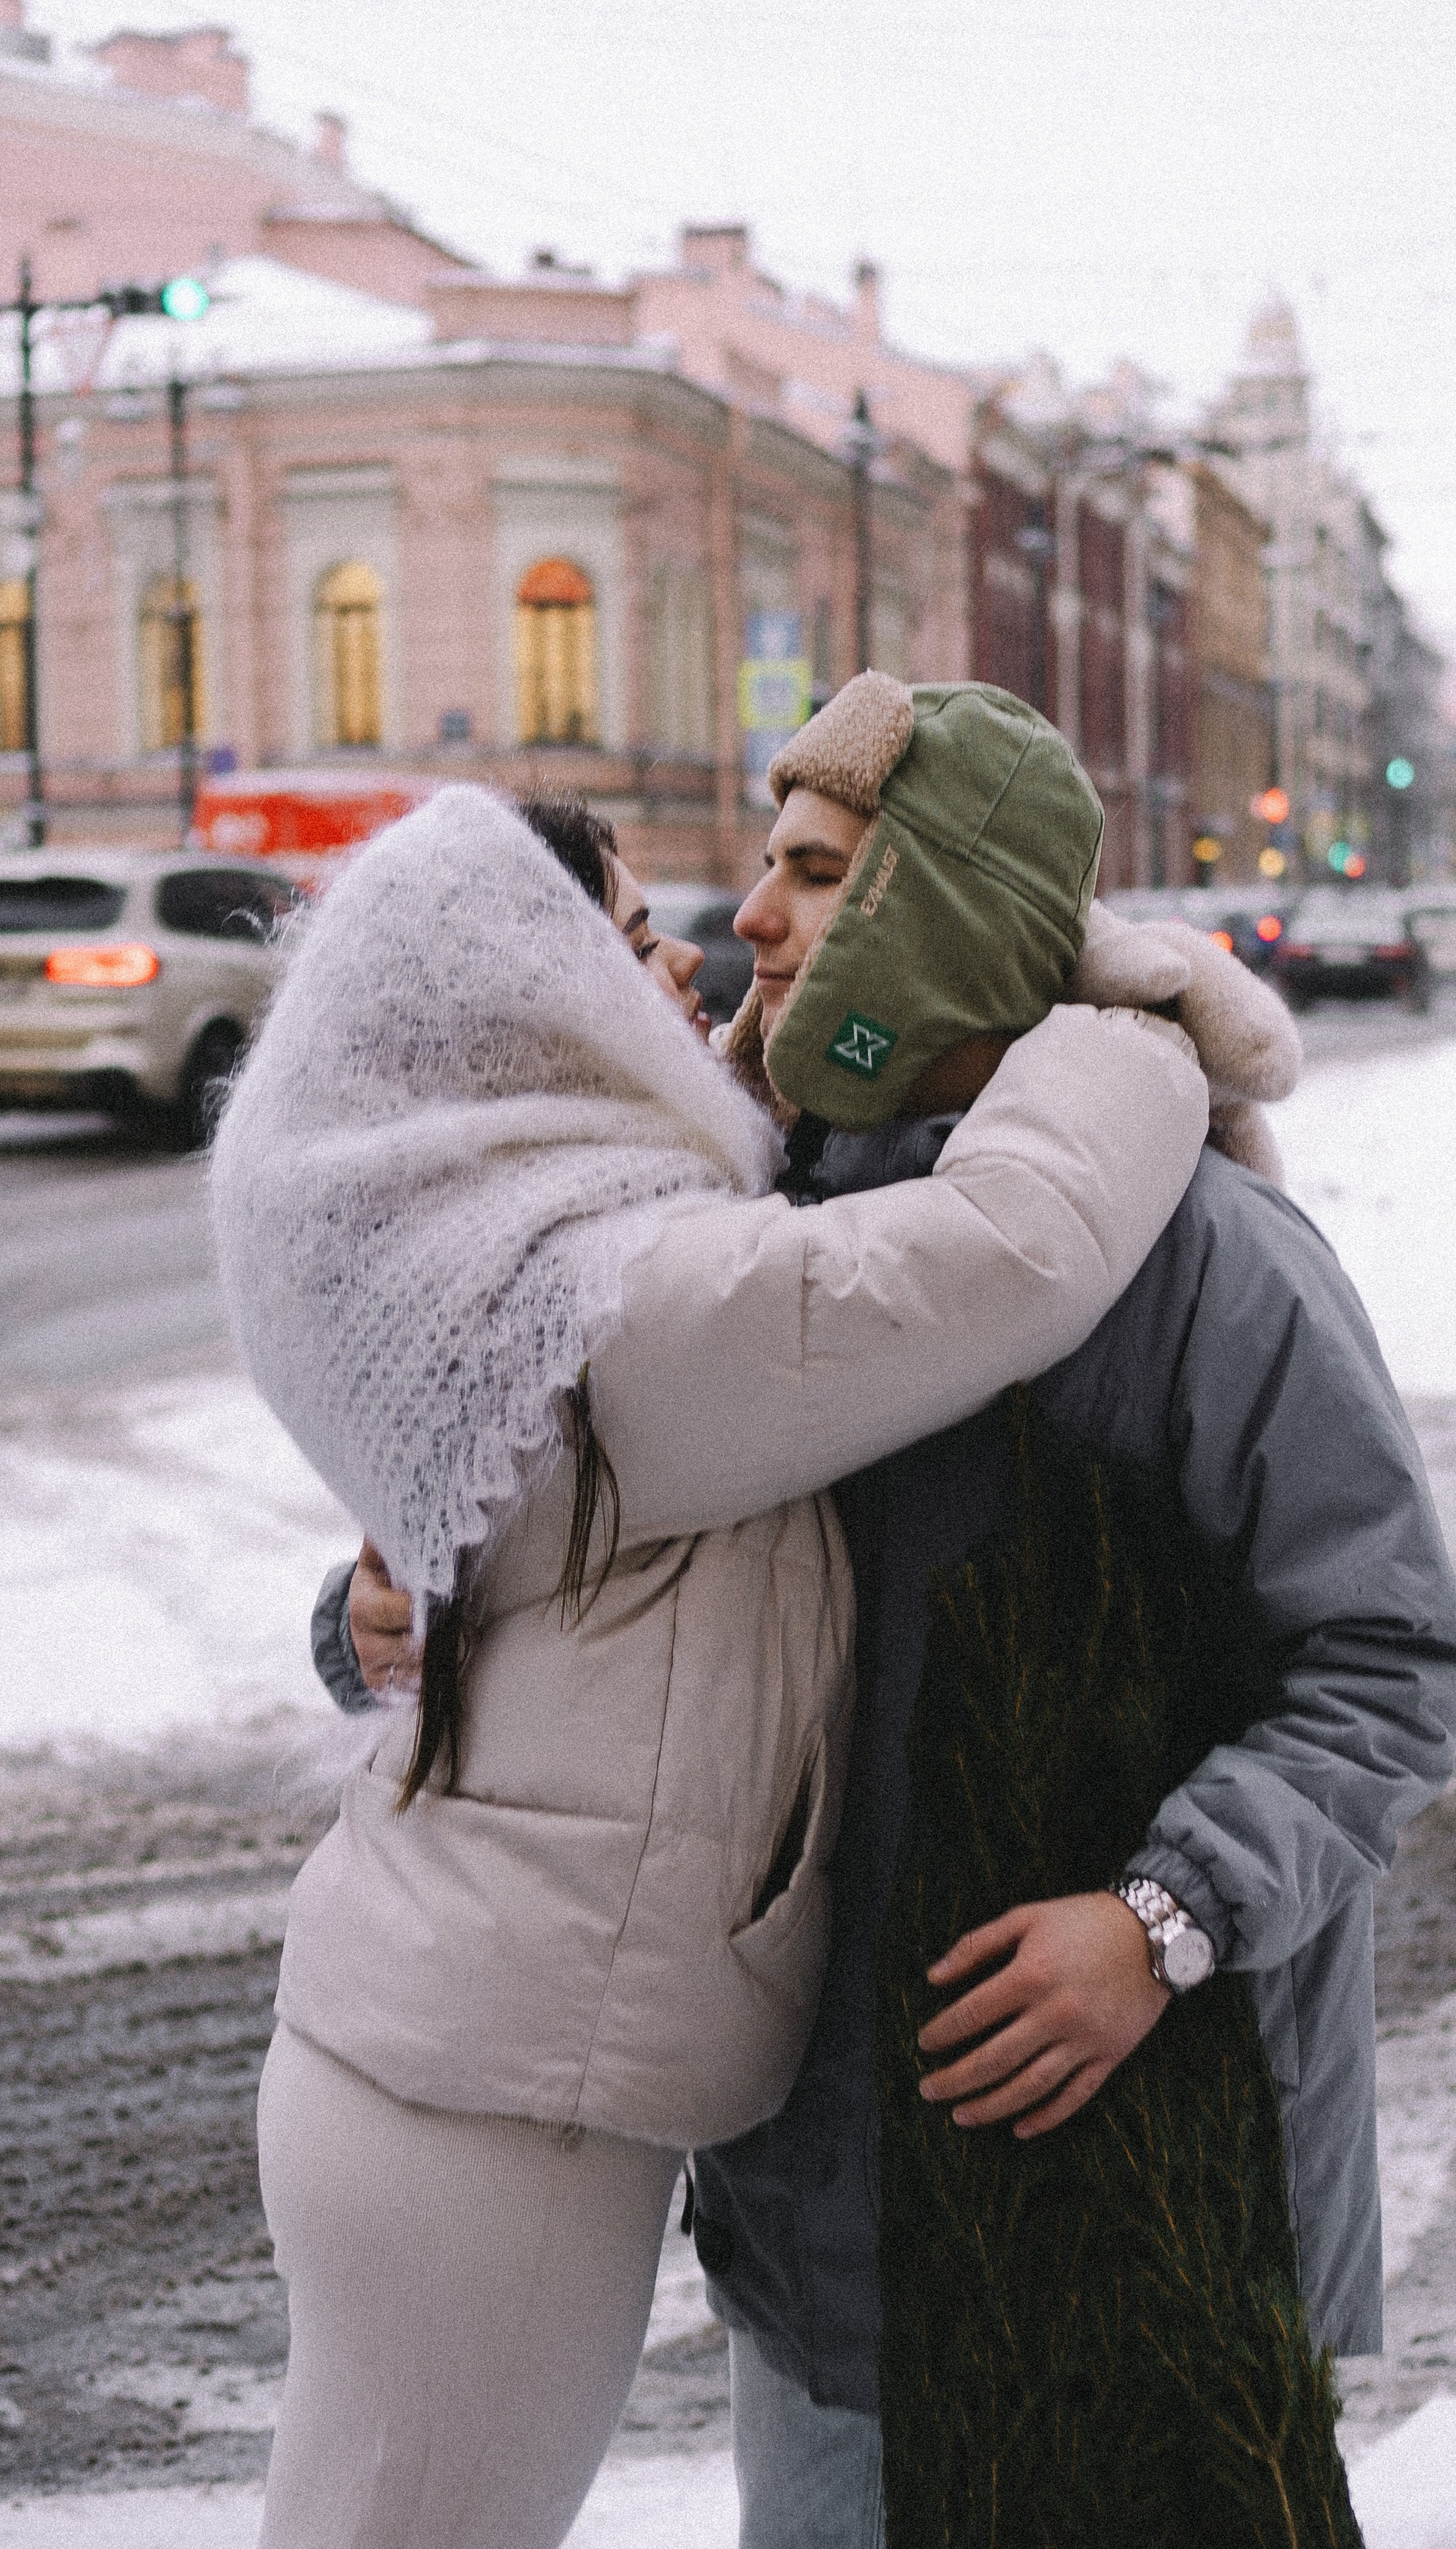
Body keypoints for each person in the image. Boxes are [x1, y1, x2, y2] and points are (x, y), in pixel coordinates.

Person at [323, 679, 1456, 2549]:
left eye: (812, 876)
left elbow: (1384, 1659)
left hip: (1138, 2225)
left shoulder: (1205, 1266)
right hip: (824, 2238)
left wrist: (1161, 1918)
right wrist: (385, 1604)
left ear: (936, 911)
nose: (746, 928)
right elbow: (572, 1550)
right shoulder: (749, 1230)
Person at [212, 772, 1211, 2549]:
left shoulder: (489, 1265)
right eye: (625, 936)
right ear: (535, 1002)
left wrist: (355, 1613)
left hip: (419, 2047)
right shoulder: (624, 1305)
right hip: (500, 2113)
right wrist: (1124, 1033)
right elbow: (1010, 1253)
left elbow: (469, 1575)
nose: (684, 962)